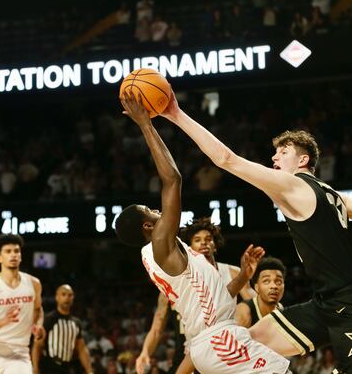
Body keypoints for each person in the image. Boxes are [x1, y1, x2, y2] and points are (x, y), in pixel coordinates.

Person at [159, 93, 352, 373]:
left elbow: (226, 159)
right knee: (249, 341)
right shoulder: (332, 195)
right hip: (326, 302)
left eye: (283, 152)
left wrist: (175, 114)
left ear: (303, 160)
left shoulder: (292, 186)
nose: (274, 157)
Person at [115, 93, 290, 374]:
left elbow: (212, 300)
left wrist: (244, 277)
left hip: (210, 341)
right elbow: (172, 179)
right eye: (150, 209)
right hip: (219, 339)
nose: (157, 210)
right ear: (147, 227)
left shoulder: (166, 253)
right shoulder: (159, 245)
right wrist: (145, 125)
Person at [136, 218, 254, 374]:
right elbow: (157, 328)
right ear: (189, 248)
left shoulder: (232, 272)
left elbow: (253, 304)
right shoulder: (176, 280)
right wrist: (145, 352)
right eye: (197, 240)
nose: (204, 243)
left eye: (208, 239)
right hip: (190, 348)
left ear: (215, 245)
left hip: (228, 343)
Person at [0, 234, 45, 373]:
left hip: (19, 352)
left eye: (16, 251)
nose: (13, 255)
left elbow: (38, 309)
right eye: (8, 251)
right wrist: (4, 321)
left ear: (21, 256)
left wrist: (38, 326)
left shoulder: (34, 283)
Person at [32, 285, 93, 374]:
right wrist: (35, 369)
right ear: (57, 297)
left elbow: (81, 348)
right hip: (49, 367)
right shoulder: (48, 320)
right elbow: (37, 346)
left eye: (70, 295)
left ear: (73, 298)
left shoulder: (76, 322)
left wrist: (89, 370)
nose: (67, 298)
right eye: (63, 294)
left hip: (67, 367)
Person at [235, 257, 286, 328]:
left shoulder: (280, 308)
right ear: (257, 287)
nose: (274, 286)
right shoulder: (244, 311)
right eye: (266, 281)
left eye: (278, 281)